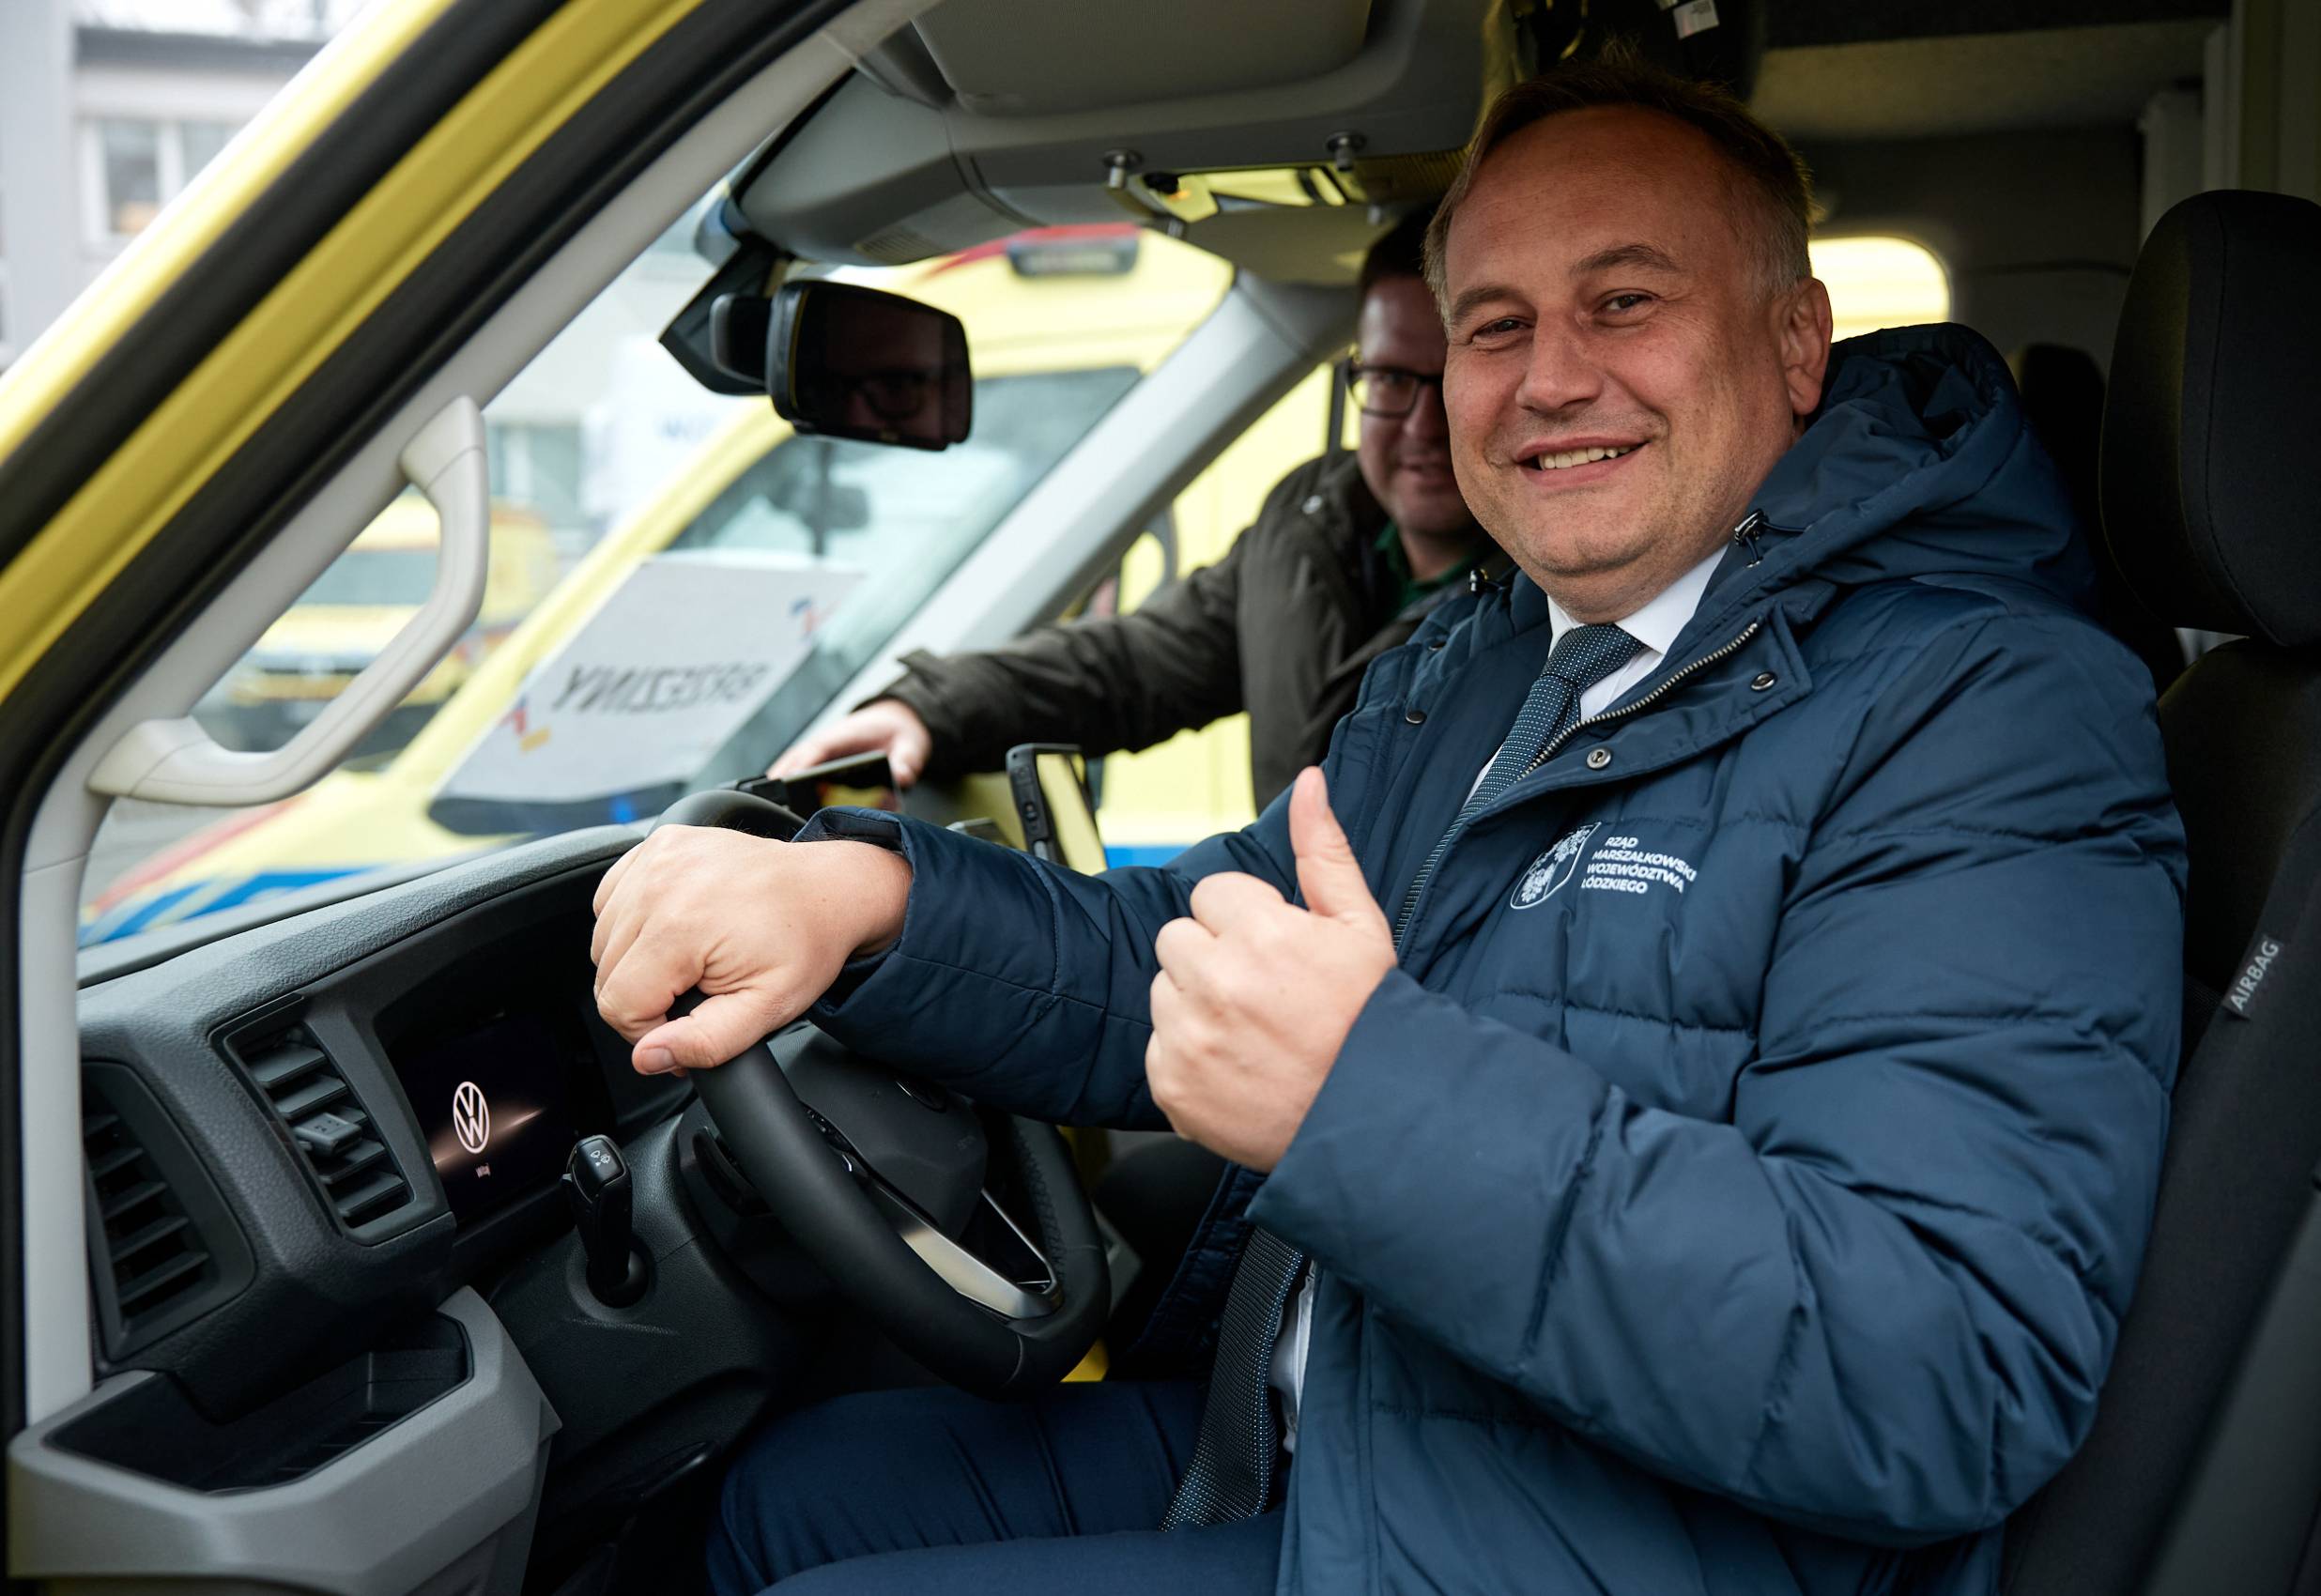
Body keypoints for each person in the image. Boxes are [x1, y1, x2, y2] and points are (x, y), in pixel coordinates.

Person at [591, 49, 2186, 1596]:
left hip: (1594, 1537)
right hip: (1346, 1429)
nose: (1549, 377)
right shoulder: (1495, 662)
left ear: (1793, 343)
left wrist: (1357, 1098)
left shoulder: (1987, 710)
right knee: (787, 1500)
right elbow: (1198, 948)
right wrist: (868, 903)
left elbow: (1937, 1373)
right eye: (1494, 326)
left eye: (1624, 302)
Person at [768, 208, 1494, 808]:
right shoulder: (1309, 521)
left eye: (1448, 379)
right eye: (1391, 379)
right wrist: (926, 709)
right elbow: (1132, 665)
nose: (1422, 425)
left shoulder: (1543, 592)